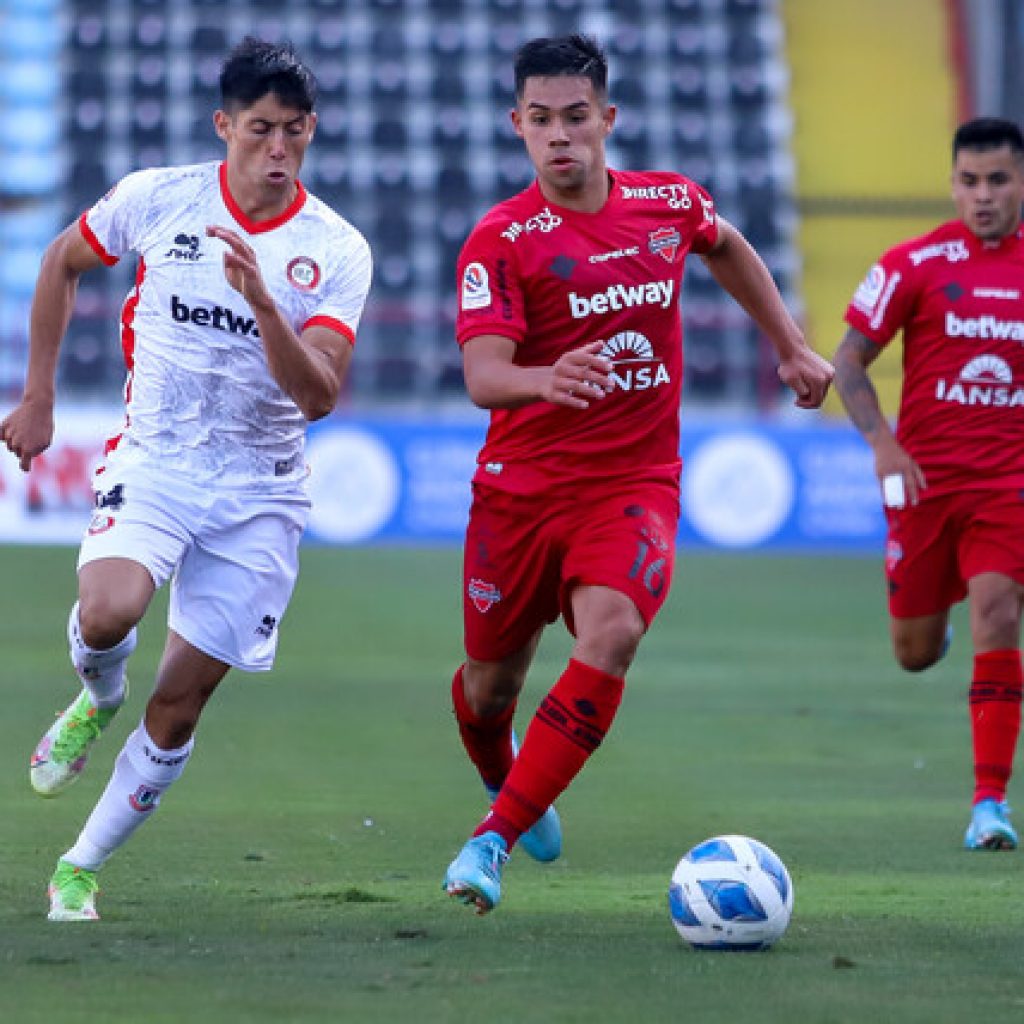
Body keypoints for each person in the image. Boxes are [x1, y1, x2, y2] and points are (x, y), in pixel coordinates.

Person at [441, 34, 834, 914]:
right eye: (540, 121)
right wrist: (543, 379)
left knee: (611, 633)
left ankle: (492, 839)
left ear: (607, 120)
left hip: (632, 482)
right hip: (519, 492)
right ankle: (506, 776)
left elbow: (725, 244)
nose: (560, 137)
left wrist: (792, 345)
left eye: (576, 118)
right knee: (486, 687)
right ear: (517, 126)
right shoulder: (500, 240)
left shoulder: (667, 202)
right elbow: (481, 375)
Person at [0, 37, 372, 920]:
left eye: (293, 133)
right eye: (259, 131)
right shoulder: (158, 198)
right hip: (160, 458)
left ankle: (78, 868)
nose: (277, 151)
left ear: (311, 131)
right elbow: (61, 261)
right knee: (108, 613)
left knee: (180, 702)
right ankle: (97, 695)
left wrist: (264, 304)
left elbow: (318, 395)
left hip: (262, 491)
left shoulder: (336, 250)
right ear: (224, 126)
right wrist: (39, 395)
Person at [834, 116, 1024, 851]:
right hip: (922, 487)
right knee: (913, 653)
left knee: (1000, 611)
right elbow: (848, 362)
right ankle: (934, 619)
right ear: (952, 184)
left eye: (998, 181)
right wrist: (881, 444)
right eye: (970, 182)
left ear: (1019, 184)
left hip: (1008, 487)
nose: (983, 196)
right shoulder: (913, 264)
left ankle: (989, 804)